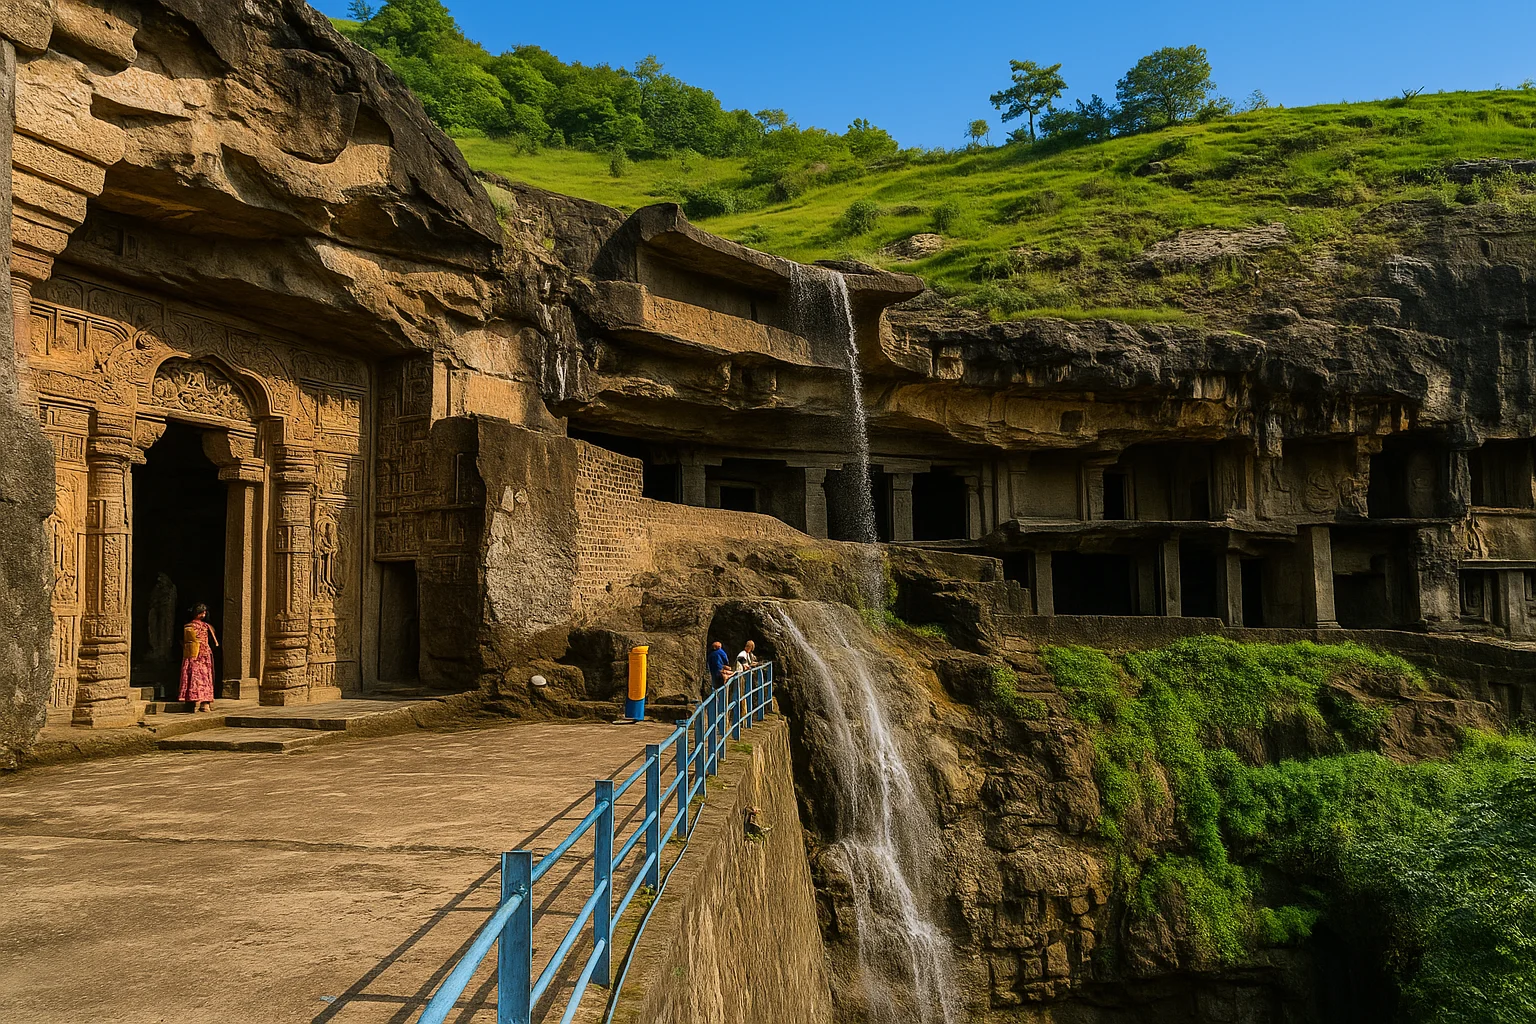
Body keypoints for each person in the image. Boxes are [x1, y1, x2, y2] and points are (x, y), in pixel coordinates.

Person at [178, 603, 219, 713]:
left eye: (204, 612)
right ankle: (200, 702)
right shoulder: (194, 626)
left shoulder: (199, 626)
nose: (203, 614)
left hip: (198, 654)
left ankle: (200, 702)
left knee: (199, 676)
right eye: (201, 612)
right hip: (198, 654)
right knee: (200, 677)